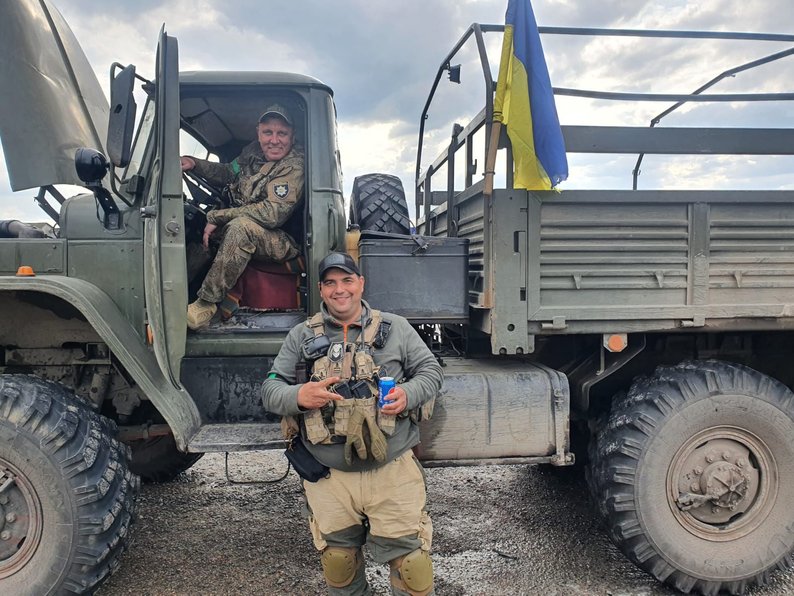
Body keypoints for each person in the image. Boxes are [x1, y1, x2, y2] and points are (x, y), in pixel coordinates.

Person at [262, 252, 443, 595]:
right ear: (321, 289)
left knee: (412, 568)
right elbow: (270, 389)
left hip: (392, 471)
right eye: (330, 283)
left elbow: (431, 372)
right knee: (339, 563)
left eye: (347, 280)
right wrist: (299, 395)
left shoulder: (396, 328)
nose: (339, 290)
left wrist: (408, 394)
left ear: (361, 283)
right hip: (329, 478)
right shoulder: (301, 335)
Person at [182, 103, 304, 330]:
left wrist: (219, 216)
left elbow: (272, 213)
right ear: (258, 133)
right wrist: (195, 164)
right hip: (253, 225)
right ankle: (181, 292)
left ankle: (206, 303)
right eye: (268, 132)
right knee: (198, 224)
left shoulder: (293, 165)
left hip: (283, 240)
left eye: (282, 133)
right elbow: (229, 172)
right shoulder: (252, 152)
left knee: (240, 228)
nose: (274, 140)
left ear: (292, 136)